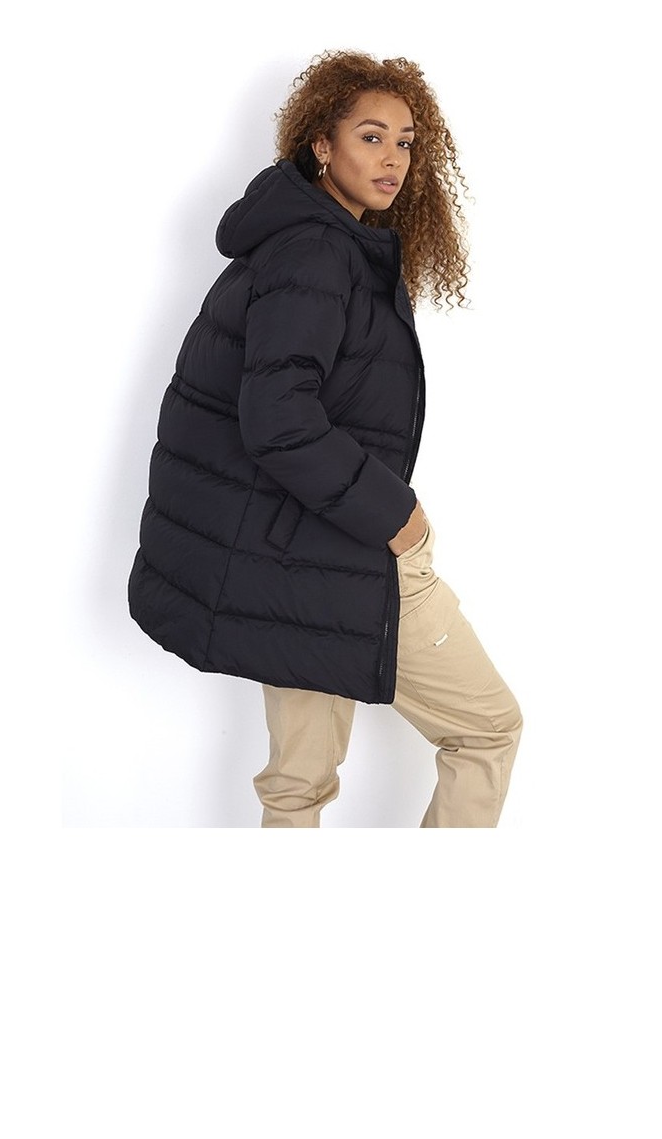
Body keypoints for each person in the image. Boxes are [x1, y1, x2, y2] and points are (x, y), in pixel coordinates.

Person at [128, 50, 523, 827]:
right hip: (339, 548)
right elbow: (280, 419)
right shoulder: (315, 252)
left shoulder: (316, 243)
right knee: (487, 730)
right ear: (321, 145)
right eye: (371, 137)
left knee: (299, 778)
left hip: (299, 555)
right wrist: (397, 518)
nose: (393, 159)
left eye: (405, 142)